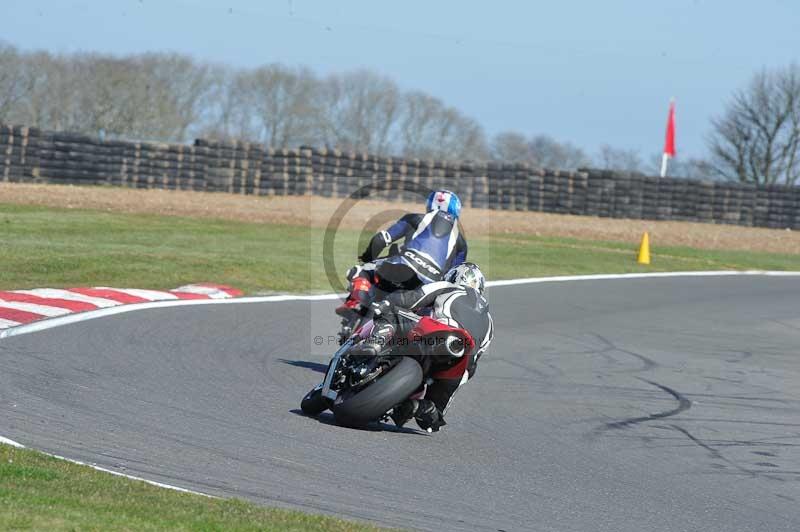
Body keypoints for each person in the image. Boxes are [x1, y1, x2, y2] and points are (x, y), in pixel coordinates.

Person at [356, 262, 493, 432]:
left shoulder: (450, 287)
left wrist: (385, 303)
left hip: (439, 332)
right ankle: (420, 407)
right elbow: (472, 369)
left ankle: (375, 342)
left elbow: (413, 298)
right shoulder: (490, 323)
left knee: (393, 314)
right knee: (433, 420)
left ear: (455, 276)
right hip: (461, 359)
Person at [336, 189, 468, 318]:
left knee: (359, 271)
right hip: (426, 289)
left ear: (430, 204)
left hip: (400, 267)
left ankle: (356, 303)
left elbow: (380, 240)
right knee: (425, 314)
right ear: (456, 210)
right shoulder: (461, 244)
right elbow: (452, 278)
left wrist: (367, 258)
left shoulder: (415, 219)